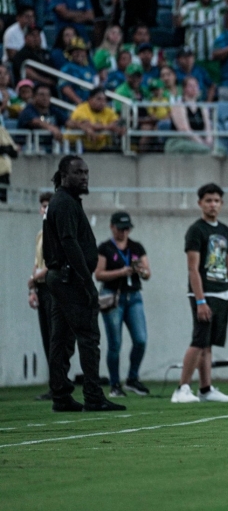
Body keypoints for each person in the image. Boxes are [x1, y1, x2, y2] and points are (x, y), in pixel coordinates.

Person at [43, 156, 126, 412]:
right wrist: (87, 282)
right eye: (78, 172)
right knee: (88, 336)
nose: (84, 177)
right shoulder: (65, 203)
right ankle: (93, 395)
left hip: (61, 278)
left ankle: (61, 396)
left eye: (86, 172)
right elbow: (69, 243)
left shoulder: (63, 201)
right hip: (70, 279)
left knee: (62, 339)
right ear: (64, 175)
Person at [171, 183, 228, 404]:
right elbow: (193, 267)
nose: (213, 204)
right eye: (208, 200)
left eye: (217, 201)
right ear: (200, 203)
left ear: (221, 204)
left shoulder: (225, 230)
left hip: (222, 293)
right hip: (203, 293)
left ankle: (205, 388)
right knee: (199, 341)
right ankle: (182, 388)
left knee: (209, 343)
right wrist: (200, 299)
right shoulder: (196, 230)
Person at [94, 211, 151, 398]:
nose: (124, 232)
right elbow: (98, 274)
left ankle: (132, 379)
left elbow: (148, 273)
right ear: (112, 227)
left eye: (127, 229)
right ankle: (114, 384)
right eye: (121, 229)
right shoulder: (105, 248)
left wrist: (140, 271)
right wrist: (121, 272)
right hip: (113, 296)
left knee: (141, 339)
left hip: (133, 295)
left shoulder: (136, 247)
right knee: (115, 343)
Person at [174, 0, 228, 84]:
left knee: (214, 88)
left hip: (215, 60)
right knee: (196, 88)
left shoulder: (218, 7)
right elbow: (177, 23)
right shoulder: (189, 8)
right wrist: (177, 2)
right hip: (195, 60)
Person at [27, 191, 54, 400]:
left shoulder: (56, 232)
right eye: (43, 206)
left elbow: (54, 264)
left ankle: (60, 384)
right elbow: (37, 263)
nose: (45, 209)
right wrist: (32, 288)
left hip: (54, 288)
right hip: (42, 288)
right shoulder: (40, 234)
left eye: (48, 206)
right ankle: (55, 385)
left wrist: (38, 276)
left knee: (56, 338)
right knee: (47, 338)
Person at [166, 77, 222, 155]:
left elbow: (208, 128)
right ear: (184, 89)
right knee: (205, 150)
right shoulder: (179, 106)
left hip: (200, 140)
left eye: (196, 86)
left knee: (221, 150)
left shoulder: (202, 107)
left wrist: (209, 140)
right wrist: (201, 143)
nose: (194, 88)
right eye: (190, 86)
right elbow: (185, 130)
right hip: (180, 141)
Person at [18, 84, 73, 149]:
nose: (45, 98)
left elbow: (68, 121)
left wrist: (82, 126)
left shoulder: (53, 109)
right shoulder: (28, 110)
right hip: (30, 146)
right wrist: (52, 128)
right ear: (34, 96)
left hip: (51, 145)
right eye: (41, 95)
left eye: (48, 95)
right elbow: (36, 121)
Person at [69, 87, 124, 152]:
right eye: (98, 99)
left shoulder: (107, 110)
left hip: (100, 147)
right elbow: (88, 125)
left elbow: (116, 124)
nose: (102, 102)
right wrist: (109, 127)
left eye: (104, 100)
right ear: (90, 99)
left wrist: (110, 126)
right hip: (78, 147)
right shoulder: (81, 109)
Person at [58, 37, 97, 105]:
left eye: (81, 50)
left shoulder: (90, 69)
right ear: (71, 54)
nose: (79, 53)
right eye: (75, 51)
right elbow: (65, 88)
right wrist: (80, 103)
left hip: (91, 106)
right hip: (74, 106)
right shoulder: (67, 68)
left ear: (86, 53)